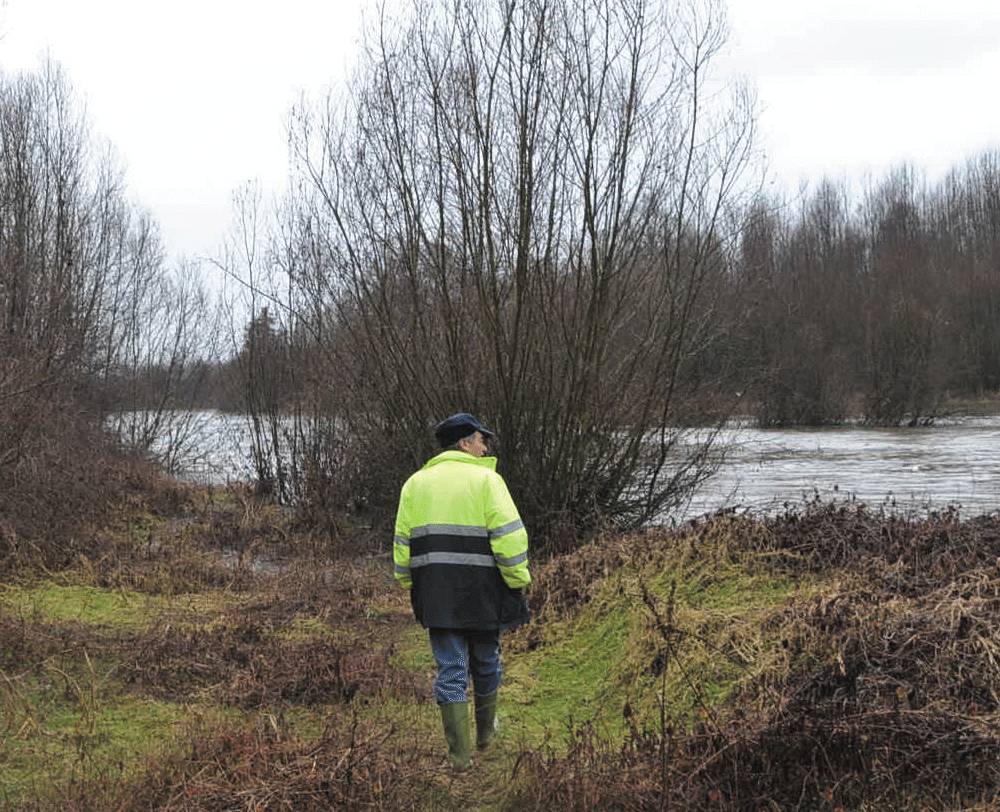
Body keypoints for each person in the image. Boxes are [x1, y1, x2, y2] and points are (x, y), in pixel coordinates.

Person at [393, 413, 531, 770]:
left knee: (451, 669)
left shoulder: (415, 484)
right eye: (481, 439)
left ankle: (459, 759)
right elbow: (510, 539)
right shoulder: (488, 480)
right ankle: (486, 736)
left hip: (437, 596)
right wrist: (517, 581)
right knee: (487, 662)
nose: (486, 447)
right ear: (464, 444)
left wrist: (413, 586)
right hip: (485, 595)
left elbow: (401, 547)